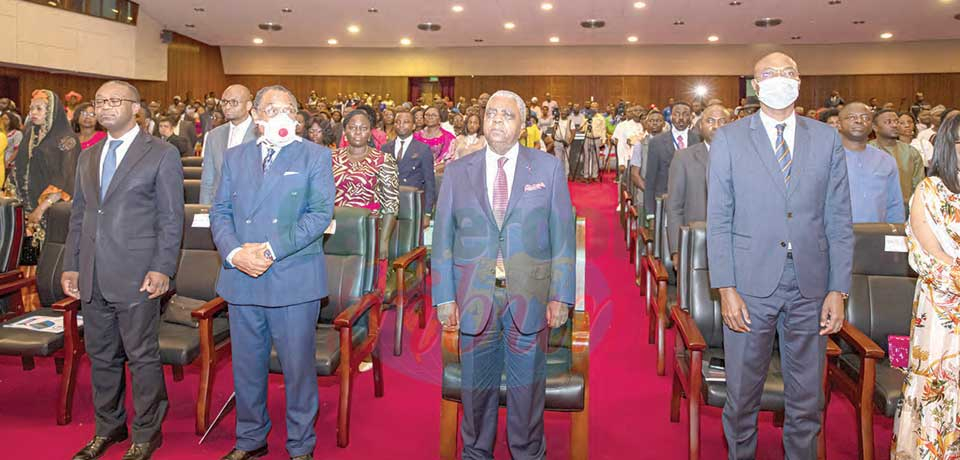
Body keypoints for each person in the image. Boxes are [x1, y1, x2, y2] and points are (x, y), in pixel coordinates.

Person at [707, 52, 852, 459]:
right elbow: (718, 219)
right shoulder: (730, 139)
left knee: (807, 400)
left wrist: (838, 289)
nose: (779, 80)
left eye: (788, 72)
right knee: (742, 395)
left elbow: (839, 218)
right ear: (755, 85)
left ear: (800, 80)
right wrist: (726, 288)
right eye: (769, 74)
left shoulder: (825, 139)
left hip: (811, 285)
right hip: (750, 285)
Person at [433, 90, 575, 460]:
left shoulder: (547, 168)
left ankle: (527, 451)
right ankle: (476, 452)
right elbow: (443, 240)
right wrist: (444, 295)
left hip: (529, 296)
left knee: (527, 390)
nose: (497, 120)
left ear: (523, 123)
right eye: (491, 113)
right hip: (473, 296)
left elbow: (563, 236)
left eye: (506, 115)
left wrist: (562, 295)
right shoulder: (457, 171)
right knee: (475, 389)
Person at [210, 85, 334, 460]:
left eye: (288, 108)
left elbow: (319, 215)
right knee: (247, 366)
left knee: (297, 368)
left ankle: (300, 444)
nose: (280, 114)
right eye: (271, 108)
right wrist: (233, 253)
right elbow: (219, 212)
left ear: (297, 116)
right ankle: (250, 439)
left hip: (292, 277)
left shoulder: (315, 155)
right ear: (257, 116)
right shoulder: (235, 156)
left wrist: (269, 249)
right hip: (242, 276)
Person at [62, 80, 183, 460]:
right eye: (100, 101)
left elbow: (170, 218)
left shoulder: (161, 154)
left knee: (141, 355)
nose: (105, 107)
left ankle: (147, 432)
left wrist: (163, 267)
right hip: (93, 272)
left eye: (115, 100)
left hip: (138, 273)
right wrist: (72, 265)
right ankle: (108, 426)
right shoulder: (88, 155)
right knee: (101, 356)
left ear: (136, 108)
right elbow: (80, 215)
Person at [892, 114, 960, 458]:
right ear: (950, 146)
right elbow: (930, 259)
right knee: (940, 389)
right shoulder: (930, 192)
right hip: (944, 311)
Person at [15, 89, 81, 266]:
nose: (33, 113)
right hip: (28, 206)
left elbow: (66, 178)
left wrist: (41, 208)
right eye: (31, 109)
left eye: (39, 108)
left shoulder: (67, 139)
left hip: (54, 209)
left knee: (50, 263)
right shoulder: (30, 135)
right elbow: (20, 169)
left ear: (52, 111)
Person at [666, 104, 729, 269]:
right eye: (710, 121)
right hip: (696, 240)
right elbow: (674, 207)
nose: (716, 126)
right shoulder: (683, 158)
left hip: (732, 242)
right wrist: (676, 250)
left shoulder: (743, 158)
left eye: (722, 121)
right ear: (700, 126)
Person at [838, 103, 905, 223]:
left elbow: (895, 205)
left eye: (865, 118)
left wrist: (896, 237)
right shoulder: (825, 158)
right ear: (839, 124)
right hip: (834, 237)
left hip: (876, 235)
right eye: (852, 117)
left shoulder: (886, 160)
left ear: (872, 126)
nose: (859, 121)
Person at [199, 84, 257, 204]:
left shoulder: (261, 134)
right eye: (224, 102)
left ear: (248, 105)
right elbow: (208, 180)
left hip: (252, 208)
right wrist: (204, 210)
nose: (227, 106)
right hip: (220, 209)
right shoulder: (214, 136)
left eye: (234, 102)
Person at [643, 101, 700, 214]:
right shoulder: (657, 142)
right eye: (677, 114)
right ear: (671, 116)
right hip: (664, 201)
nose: (681, 118)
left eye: (685, 114)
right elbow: (650, 179)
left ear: (691, 117)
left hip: (692, 202)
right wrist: (650, 213)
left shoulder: (698, 140)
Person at [382, 108, 436, 218]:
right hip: (388, 206)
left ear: (414, 126)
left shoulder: (423, 149)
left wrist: (427, 212)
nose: (401, 125)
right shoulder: (385, 148)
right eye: (397, 122)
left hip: (412, 204)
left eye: (406, 122)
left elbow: (429, 182)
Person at [870, 109, 925, 208]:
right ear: (875, 127)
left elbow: (919, 187)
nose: (894, 125)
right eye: (888, 122)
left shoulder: (911, 152)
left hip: (905, 210)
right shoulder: (865, 152)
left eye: (896, 121)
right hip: (872, 211)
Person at [630, 110, 666, 215]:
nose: (654, 123)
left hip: (666, 195)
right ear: (646, 124)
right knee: (645, 229)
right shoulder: (639, 145)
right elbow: (634, 174)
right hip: (645, 193)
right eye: (651, 121)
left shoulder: (671, 144)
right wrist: (650, 191)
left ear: (664, 124)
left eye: (658, 120)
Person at [612, 105, 644, 176]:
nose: (638, 112)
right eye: (636, 110)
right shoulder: (625, 126)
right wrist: (621, 162)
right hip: (629, 159)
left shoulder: (646, 125)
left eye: (640, 110)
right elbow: (621, 144)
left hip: (644, 160)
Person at [553, 106, 573, 177]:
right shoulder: (556, 120)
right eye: (562, 111)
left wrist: (569, 142)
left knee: (566, 161)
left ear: (567, 113)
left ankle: (565, 176)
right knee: (558, 160)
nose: (563, 113)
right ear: (560, 112)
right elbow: (553, 131)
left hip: (566, 143)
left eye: (565, 111)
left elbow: (573, 132)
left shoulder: (570, 121)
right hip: (557, 142)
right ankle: (559, 176)